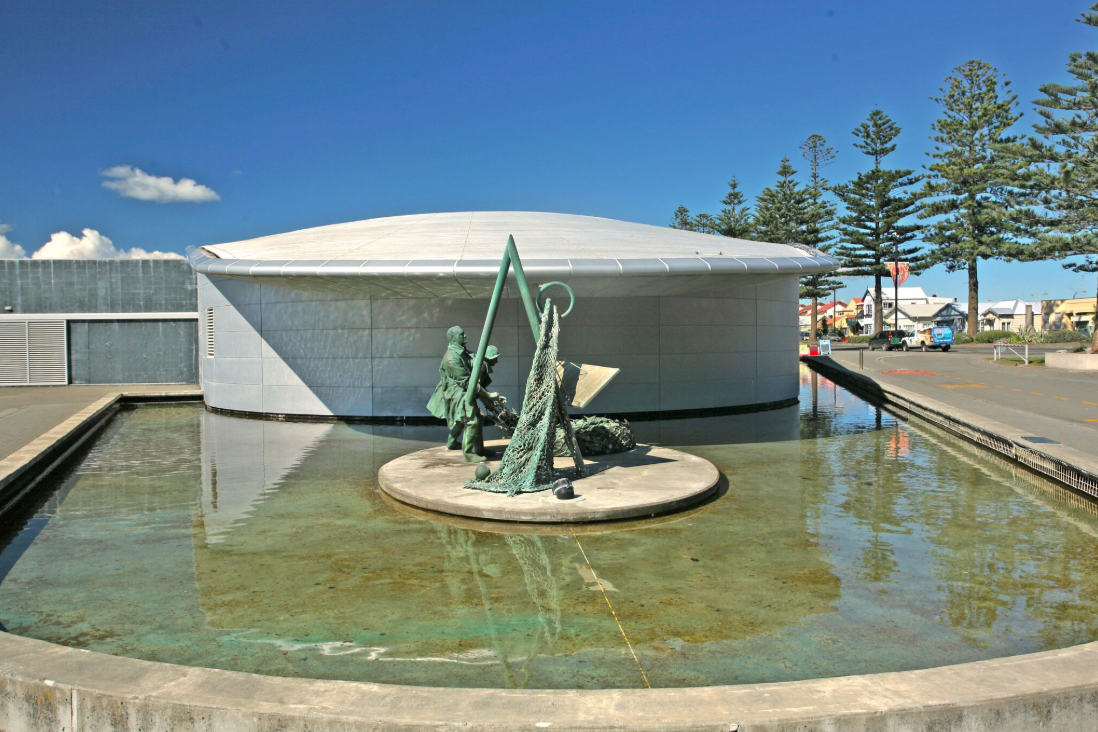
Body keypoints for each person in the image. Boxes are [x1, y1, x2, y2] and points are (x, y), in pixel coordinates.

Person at [426, 326, 500, 462]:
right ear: (453, 338)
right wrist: (488, 396)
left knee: (475, 418)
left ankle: (478, 448)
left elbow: (472, 361)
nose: (465, 336)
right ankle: (469, 453)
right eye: (462, 335)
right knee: (472, 421)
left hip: (464, 390)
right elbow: (466, 382)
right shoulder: (451, 358)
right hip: (458, 393)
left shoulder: (461, 352)